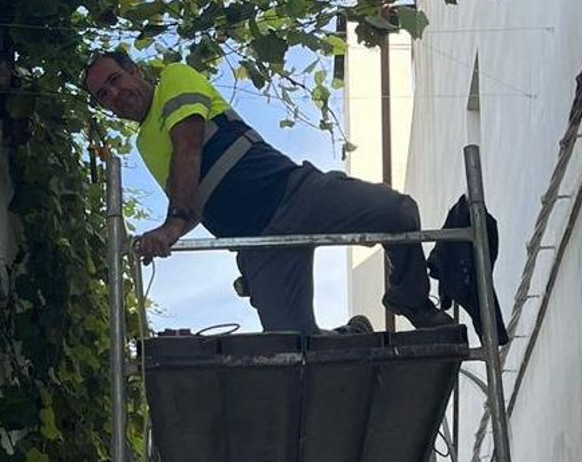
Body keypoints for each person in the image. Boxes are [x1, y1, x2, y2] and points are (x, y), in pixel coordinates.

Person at [81, 48, 450, 334]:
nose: (114, 94)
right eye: (103, 95)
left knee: (397, 212)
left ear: (134, 71)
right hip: (258, 245)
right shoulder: (145, 144)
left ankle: (411, 299)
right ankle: (350, 335)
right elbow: (191, 195)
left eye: (114, 80)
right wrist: (173, 227)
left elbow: (188, 146)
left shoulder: (174, 79)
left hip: (296, 194)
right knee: (294, 349)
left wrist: (171, 226)